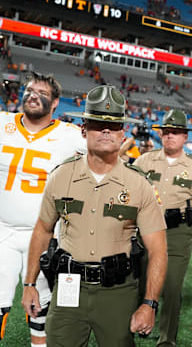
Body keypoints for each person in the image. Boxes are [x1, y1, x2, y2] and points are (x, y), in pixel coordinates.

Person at [22, 85, 168, 346]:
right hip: (68, 289)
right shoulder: (60, 176)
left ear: (123, 133)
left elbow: (158, 250)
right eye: (98, 123)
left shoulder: (139, 185)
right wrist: (30, 284)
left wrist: (149, 303)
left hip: (118, 294)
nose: (105, 130)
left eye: (113, 126)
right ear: (83, 129)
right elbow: (43, 230)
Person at [0, 72, 86, 346]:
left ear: (55, 102)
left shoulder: (71, 135)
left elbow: (106, 159)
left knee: (42, 306)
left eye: (42, 92)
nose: (33, 94)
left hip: (48, 234)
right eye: (29, 89)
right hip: (2, 230)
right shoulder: (2, 123)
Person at [134, 109, 192, 346]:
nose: (170, 137)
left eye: (175, 133)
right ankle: (141, 323)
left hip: (178, 234)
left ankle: (167, 339)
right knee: (141, 281)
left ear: (185, 137)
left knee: (173, 287)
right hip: (146, 229)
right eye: (166, 132)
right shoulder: (145, 161)